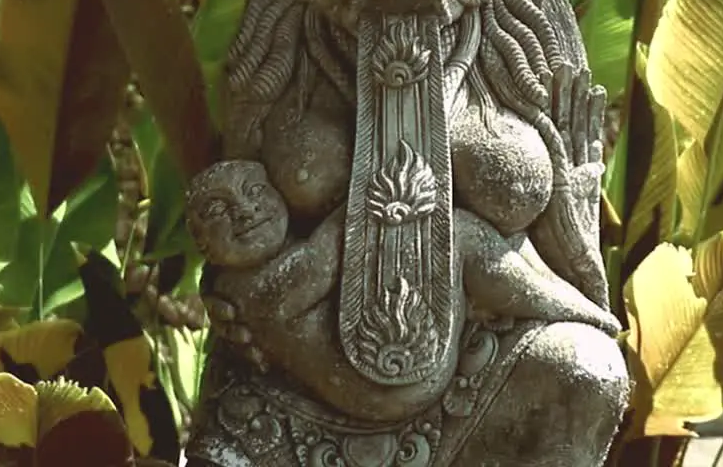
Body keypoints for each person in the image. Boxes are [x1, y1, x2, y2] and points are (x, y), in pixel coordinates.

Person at [185, 159, 619, 421]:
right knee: (457, 235)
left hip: (382, 360)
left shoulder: (228, 285)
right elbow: (325, 252)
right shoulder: (255, 293)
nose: (246, 211)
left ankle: (563, 299)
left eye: (255, 191)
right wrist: (386, 185)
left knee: (477, 239)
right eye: (219, 210)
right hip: (389, 381)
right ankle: (577, 309)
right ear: (203, 243)